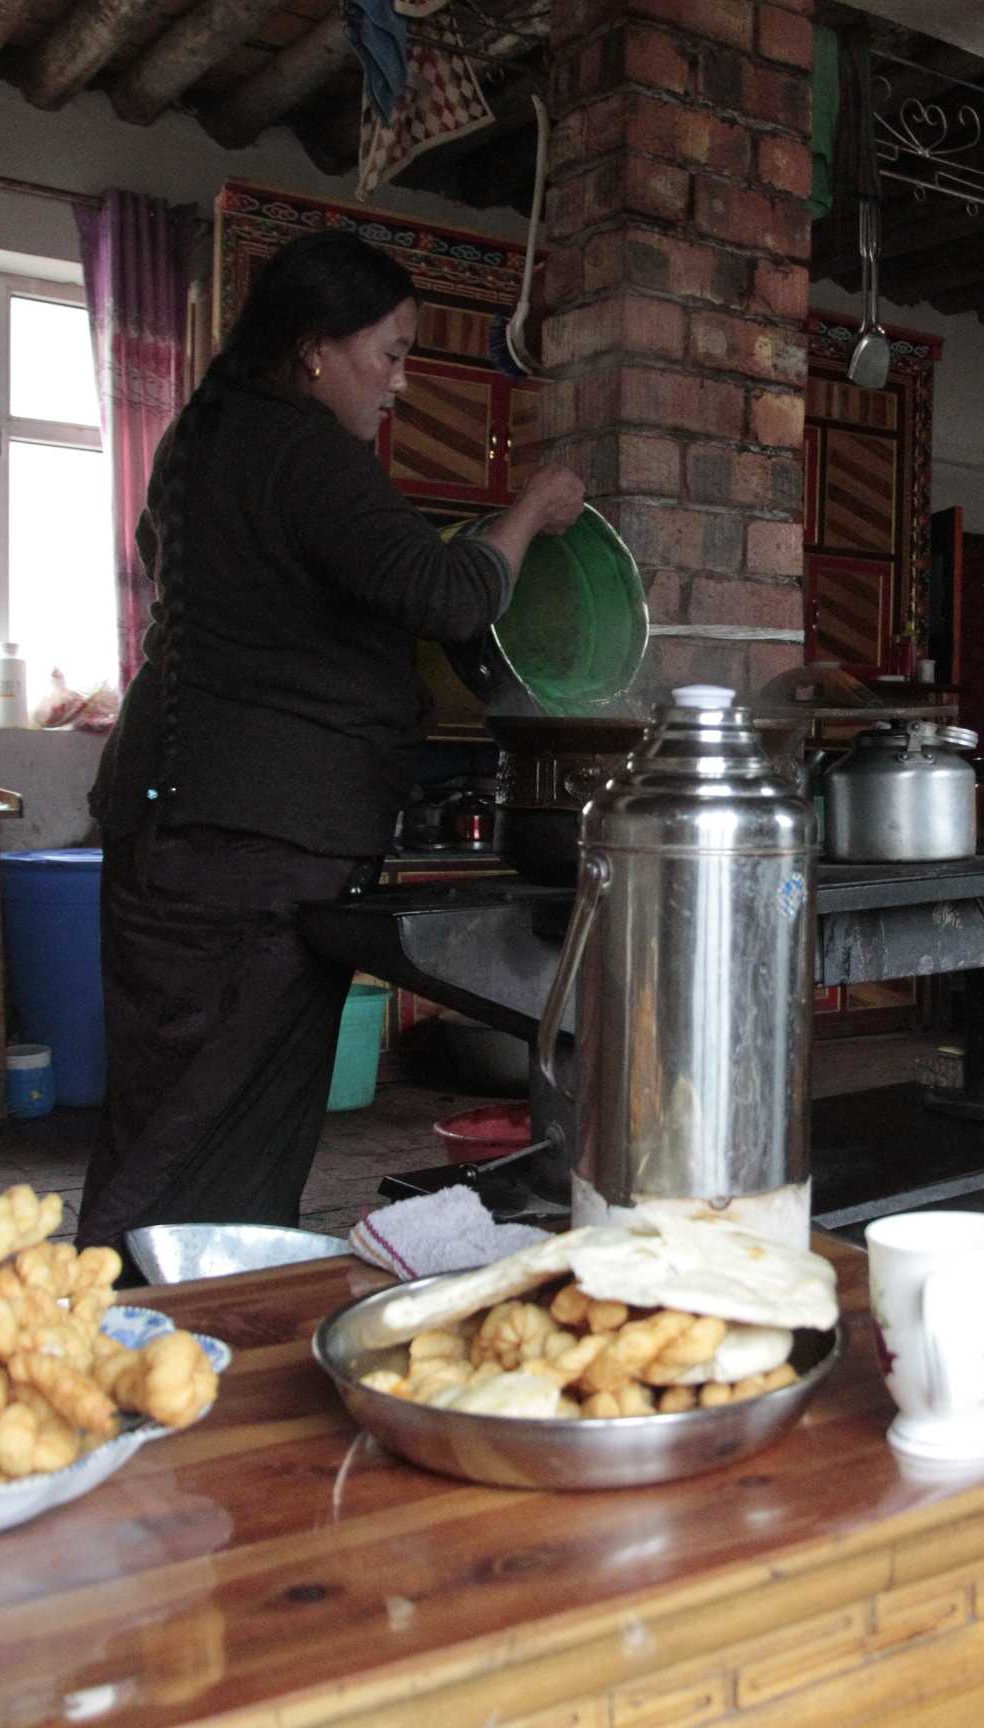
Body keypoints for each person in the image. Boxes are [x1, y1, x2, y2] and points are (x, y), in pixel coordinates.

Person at [78, 230, 584, 1259]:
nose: (400, 383)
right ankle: (139, 1329)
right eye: (390, 354)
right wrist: (530, 509)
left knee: (177, 1114)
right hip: (249, 845)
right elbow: (445, 593)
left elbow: (195, 577)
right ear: (316, 347)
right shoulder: (305, 448)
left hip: (179, 832)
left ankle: (177, 1318)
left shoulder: (202, 437)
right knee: (207, 1129)